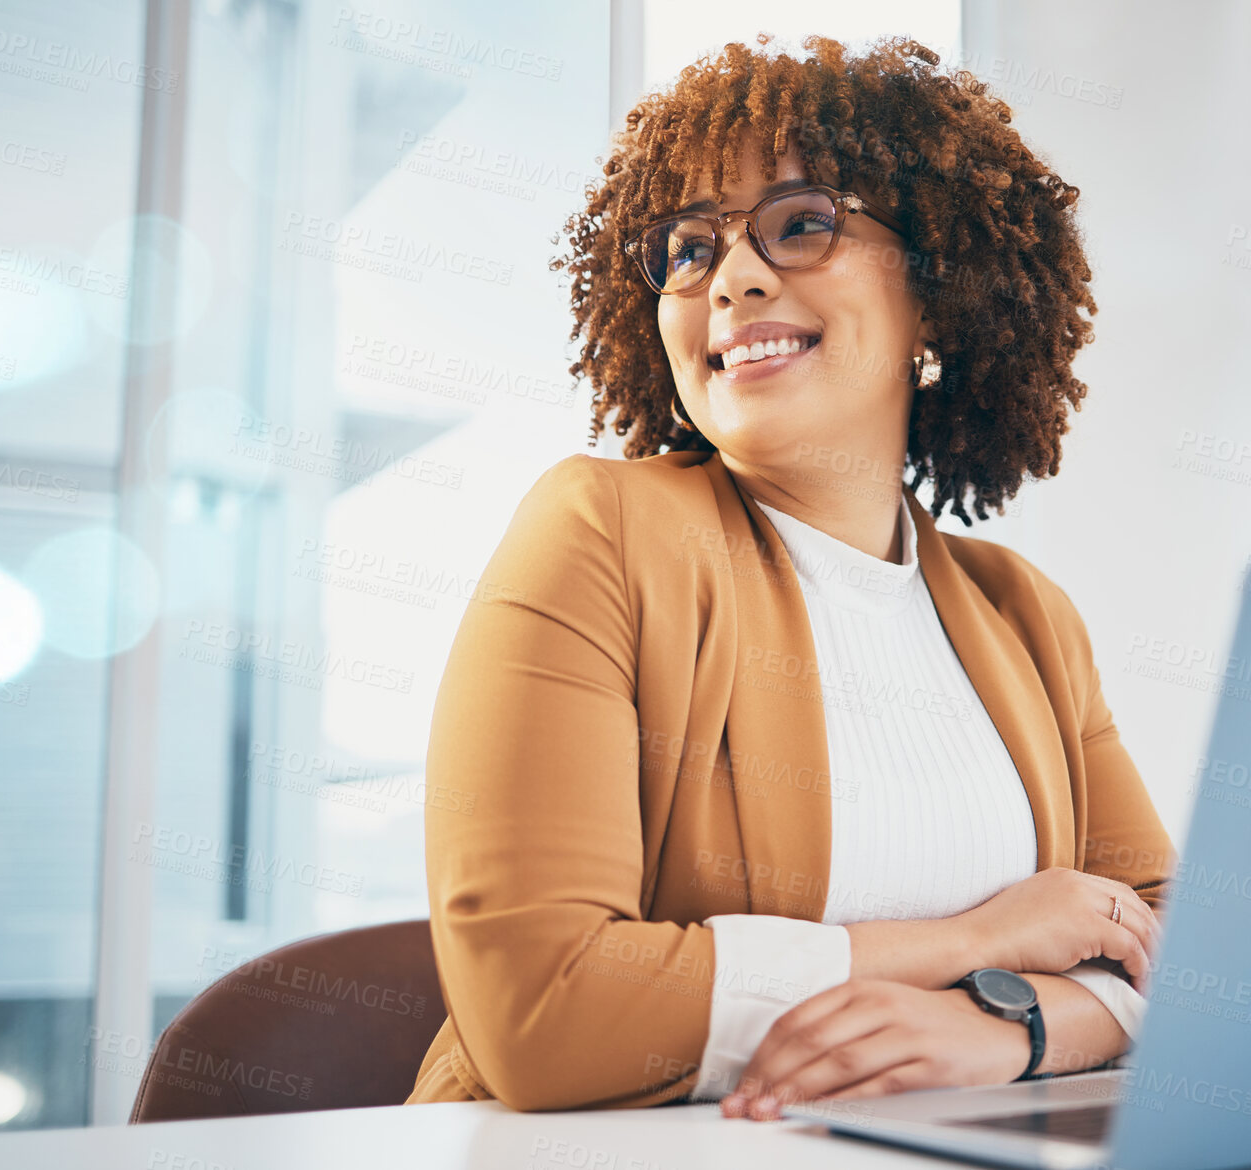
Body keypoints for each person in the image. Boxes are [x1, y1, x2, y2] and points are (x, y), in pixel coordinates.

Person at [405, 33, 1176, 1120]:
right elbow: (544, 1006)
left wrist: (1008, 1026)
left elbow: (1185, 954)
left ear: (938, 293)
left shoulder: (1023, 616)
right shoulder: (599, 534)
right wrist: (971, 946)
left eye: (801, 224)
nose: (733, 276)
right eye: (686, 247)